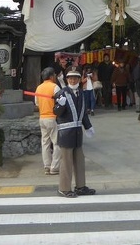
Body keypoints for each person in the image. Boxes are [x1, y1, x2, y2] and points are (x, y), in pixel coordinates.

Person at [53, 65, 96, 198]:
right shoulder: (61, 93)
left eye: (75, 78)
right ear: (67, 79)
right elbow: (56, 113)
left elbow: (83, 114)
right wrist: (60, 104)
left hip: (77, 133)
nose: (73, 81)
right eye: (70, 78)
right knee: (66, 162)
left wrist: (88, 126)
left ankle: (80, 186)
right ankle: (64, 188)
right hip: (66, 134)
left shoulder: (81, 93)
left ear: (79, 79)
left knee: (79, 162)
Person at [35, 67, 61, 175]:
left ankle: (47, 166)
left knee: (45, 143)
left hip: (42, 117)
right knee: (57, 143)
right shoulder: (55, 87)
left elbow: (37, 103)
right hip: (52, 117)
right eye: (54, 75)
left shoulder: (39, 88)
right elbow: (61, 103)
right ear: (51, 76)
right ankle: (54, 167)